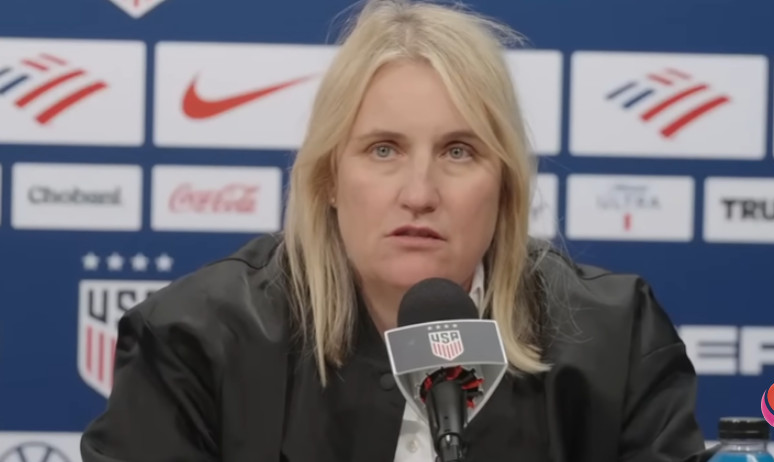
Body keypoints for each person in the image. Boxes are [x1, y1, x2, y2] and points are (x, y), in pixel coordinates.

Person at [80, 0, 718, 461]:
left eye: (459, 151)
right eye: (383, 149)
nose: (419, 193)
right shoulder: (195, 340)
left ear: (505, 186)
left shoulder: (616, 339)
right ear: (329, 177)